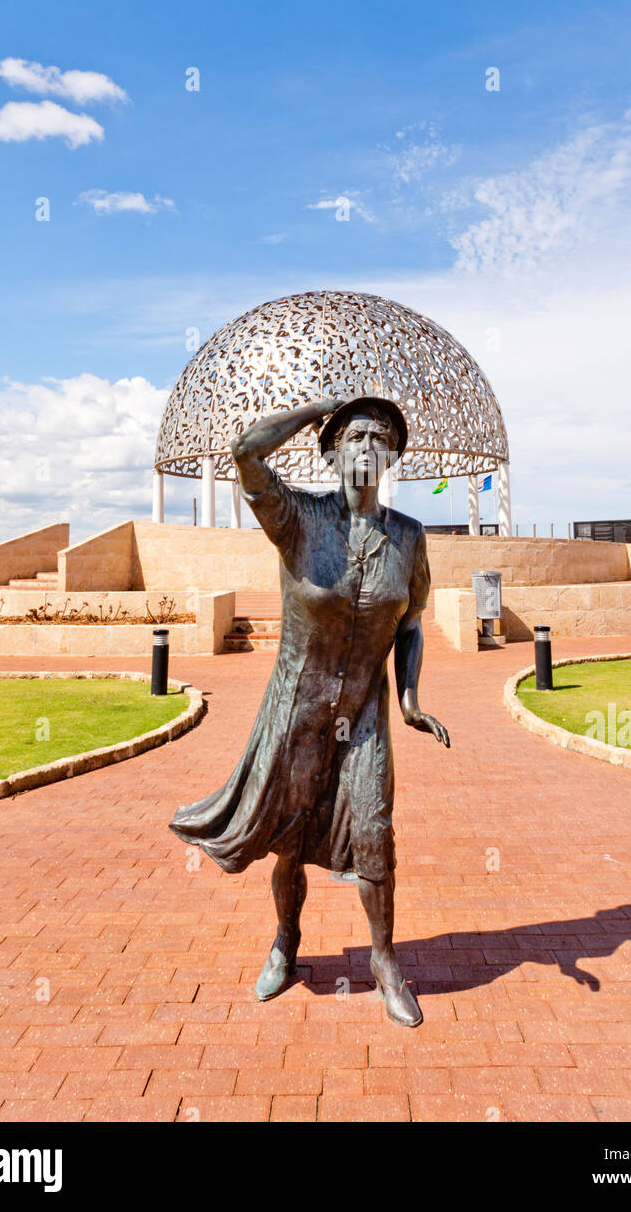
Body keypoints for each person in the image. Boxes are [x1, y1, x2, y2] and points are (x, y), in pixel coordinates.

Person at [170, 395, 450, 1027]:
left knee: (374, 833)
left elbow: (409, 624)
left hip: (365, 715)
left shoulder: (407, 536)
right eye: (352, 436)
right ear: (331, 452)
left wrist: (409, 699)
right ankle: (286, 943)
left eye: (379, 438)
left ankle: (384, 962)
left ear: (392, 456)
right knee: (290, 842)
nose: (365, 446)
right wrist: (324, 407)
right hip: (297, 709)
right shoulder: (297, 519)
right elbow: (245, 452)